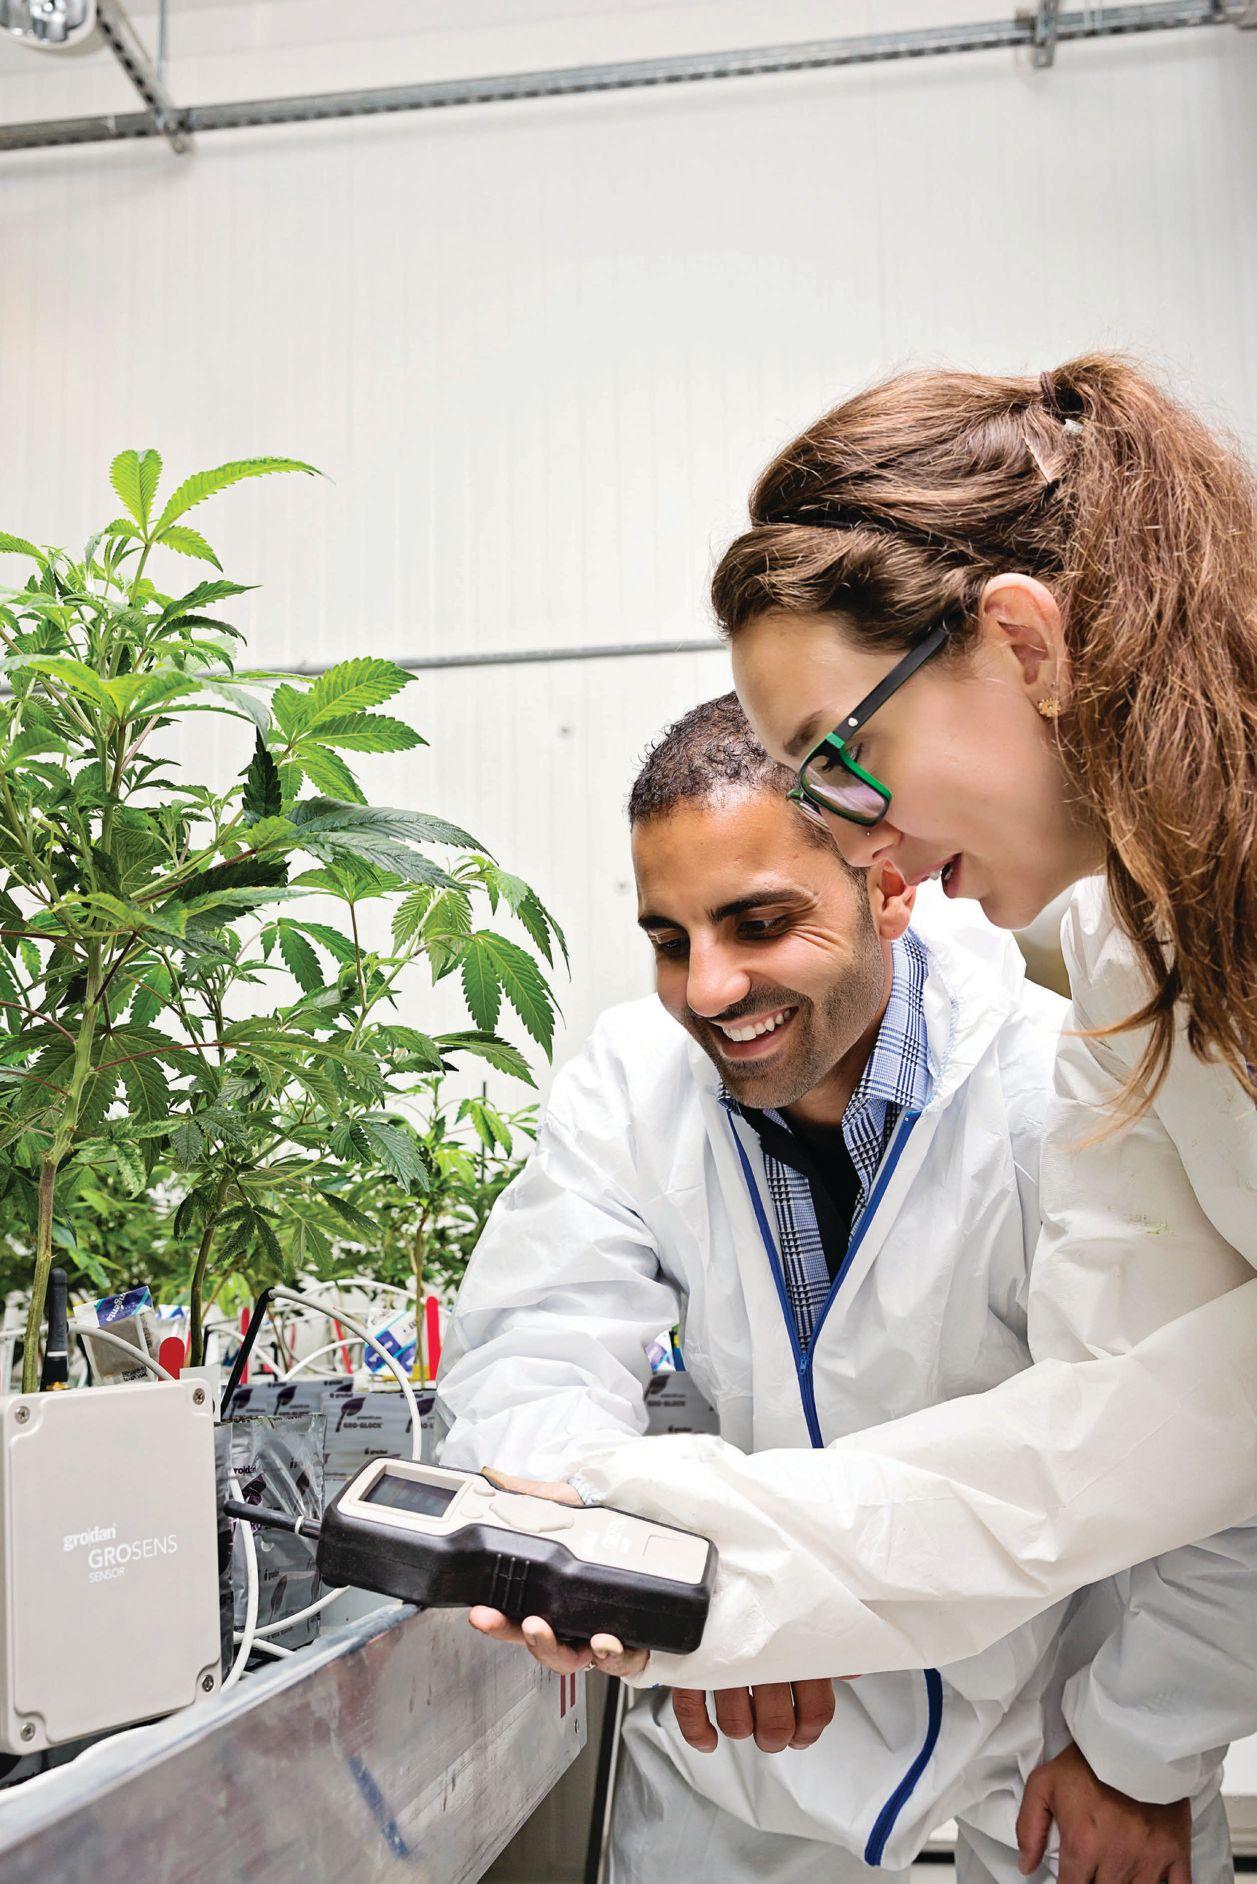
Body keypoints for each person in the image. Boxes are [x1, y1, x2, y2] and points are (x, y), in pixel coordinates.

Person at [474, 359, 1257, 1831]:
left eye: (842, 757)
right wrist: (718, 1568)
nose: (859, 834)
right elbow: (1148, 1420)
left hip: (1035, 1744)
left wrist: (1137, 1743)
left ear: (1022, 644)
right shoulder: (1123, 956)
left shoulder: (1060, 1019)